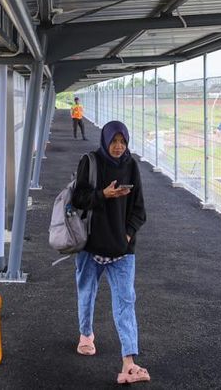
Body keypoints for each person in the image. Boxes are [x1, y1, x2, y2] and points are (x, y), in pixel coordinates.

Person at [70, 120, 149, 384]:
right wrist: (102, 195)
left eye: (122, 141)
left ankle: (129, 362)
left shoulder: (131, 165)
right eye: (114, 141)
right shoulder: (90, 162)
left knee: (126, 302)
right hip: (90, 247)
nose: (118, 146)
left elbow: (139, 210)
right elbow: (78, 199)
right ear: (105, 140)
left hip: (122, 250)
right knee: (86, 293)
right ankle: (86, 336)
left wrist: (126, 235)